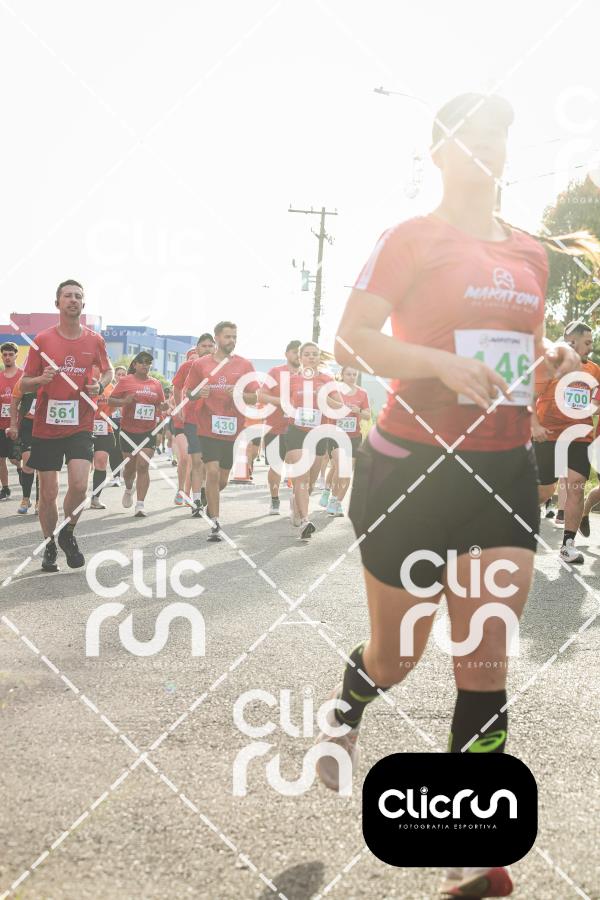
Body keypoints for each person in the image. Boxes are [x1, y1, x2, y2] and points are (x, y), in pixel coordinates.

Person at [312, 94, 588, 900]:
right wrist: (438, 366)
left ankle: (470, 851)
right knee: (396, 657)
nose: (490, 147)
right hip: (411, 471)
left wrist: (541, 362)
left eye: (501, 133)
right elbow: (351, 339)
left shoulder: (530, 252)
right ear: (438, 152)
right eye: (473, 135)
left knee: (485, 661)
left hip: (500, 473)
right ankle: (346, 708)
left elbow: (520, 346)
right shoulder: (411, 237)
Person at [20, 280, 113, 571]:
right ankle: (49, 543)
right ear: (57, 303)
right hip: (46, 426)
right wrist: (40, 380)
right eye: (68, 296)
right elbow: (24, 384)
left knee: (80, 484)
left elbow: (108, 371)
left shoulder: (95, 340)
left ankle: (68, 533)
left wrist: (101, 385)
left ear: (83, 304)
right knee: (48, 494)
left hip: (80, 423)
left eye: (78, 296)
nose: (73, 300)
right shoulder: (43, 339)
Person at [532, 321, 600, 563]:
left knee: (577, 485)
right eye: (587, 342)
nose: (591, 347)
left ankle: (568, 545)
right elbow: (530, 396)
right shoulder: (550, 364)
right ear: (572, 341)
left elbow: (596, 403)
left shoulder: (594, 370)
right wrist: (534, 425)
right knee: (545, 490)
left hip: (580, 436)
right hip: (548, 434)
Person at [183, 321, 257, 541]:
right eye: (227, 336)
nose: (231, 340)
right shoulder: (201, 364)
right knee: (212, 472)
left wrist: (241, 394)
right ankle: (215, 522)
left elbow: (255, 397)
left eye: (234, 337)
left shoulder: (245, 365)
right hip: (207, 426)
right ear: (216, 338)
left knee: (222, 479)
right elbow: (189, 393)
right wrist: (199, 392)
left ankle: (208, 496)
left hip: (233, 429)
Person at [281, 341, 344, 540]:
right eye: (307, 354)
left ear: (319, 357)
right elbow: (283, 404)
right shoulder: (292, 380)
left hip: (318, 433)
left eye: (314, 354)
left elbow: (340, 406)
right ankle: (305, 521)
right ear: (300, 358)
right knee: (302, 477)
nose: (311, 357)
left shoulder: (327, 380)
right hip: (296, 432)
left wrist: (323, 398)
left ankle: (297, 504)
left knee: (310, 482)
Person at [108, 351, 166, 517]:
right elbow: (111, 400)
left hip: (148, 431)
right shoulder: (126, 381)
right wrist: (124, 401)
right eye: (142, 362)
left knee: (143, 465)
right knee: (129, 468)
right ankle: (128, 488)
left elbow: (160, 405)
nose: (145, 365)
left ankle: (140, 505)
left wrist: (163, 408)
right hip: (128, 431)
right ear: (135, 364)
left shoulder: (156, 384)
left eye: (148, 362)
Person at [319, 365, 370, 516]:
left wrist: (358, 411)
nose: (352, 377)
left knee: (346, 471)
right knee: (339, 466)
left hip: (354, 436)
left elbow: (368, 415)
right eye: (348, 374)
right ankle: (329, 493)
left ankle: (337, 501)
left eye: (354, 374)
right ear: (342, 375)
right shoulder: (335, 391)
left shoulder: (362, 393)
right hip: (336, 434)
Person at [257, 339, 301, 515]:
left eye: (301, 352)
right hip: (275, 426)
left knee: (298, 465)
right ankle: (274, 500)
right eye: (294, 352)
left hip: (299, 428)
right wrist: (283, 402)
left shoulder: (307, 374)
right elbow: (261, 396)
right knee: (276, 466)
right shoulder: (275, 372)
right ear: (286, 354)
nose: (298, 355)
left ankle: (296, 500)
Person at [172, 337, 215, 514]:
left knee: (208, 463)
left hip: (213, 420)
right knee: (193, 460)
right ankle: (195, 499)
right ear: (197, 349)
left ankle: (202, 489)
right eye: (203, 346)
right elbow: (177, 388)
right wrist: (179, 408)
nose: (207, 348)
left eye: (210, 345)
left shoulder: (221, 367)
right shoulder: (187, 367)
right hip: (191, 419)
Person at [7, 374, 38, 514]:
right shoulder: (24, 381)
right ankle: (26, 499)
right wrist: (13, 425)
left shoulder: (51, 378)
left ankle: (40, 501)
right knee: (28, 463)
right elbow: (14, 403)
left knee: (44, 467)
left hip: (47, 426)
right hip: (28, 425)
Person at [90, 368, 116, 510]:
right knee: (81, 466)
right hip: (83, 427)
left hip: (104, 428)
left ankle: (95, 498)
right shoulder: (85, 380)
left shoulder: (111, 387)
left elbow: (115, 406)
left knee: (100, 462)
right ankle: (76, 495)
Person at [0, 341, 23, 500]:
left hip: (18, 425)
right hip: (1, 425)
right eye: (4, 355)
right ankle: (5, 488)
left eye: (10, 354)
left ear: (16, 356)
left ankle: (21, 470)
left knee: (15, 459)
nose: (7, 357)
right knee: (1, 459)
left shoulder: (22, 376)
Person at [106, 365, 127, 486]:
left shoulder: (129, 390)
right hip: (112, 422)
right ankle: (116, 476)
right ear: (114, 376)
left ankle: (126, 472)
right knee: (114, 450)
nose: (121, 377)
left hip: (126, 424)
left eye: (123, 374)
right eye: (118, 374)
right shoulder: (109, 389)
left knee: (124, 450)